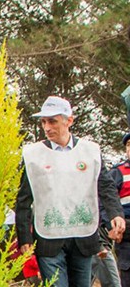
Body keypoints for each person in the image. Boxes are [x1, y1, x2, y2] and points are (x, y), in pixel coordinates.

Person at [15, 96, 126, 287]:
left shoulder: (90, 151)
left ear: (69, 120)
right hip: (48, 239)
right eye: (43, 122)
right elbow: (24, 199)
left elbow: (105, 185)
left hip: (83, 238)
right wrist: (24, 237)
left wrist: (116, 213)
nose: (47, 127)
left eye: (52, 121)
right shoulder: (33, 155)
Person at [109, 132, 130, 286]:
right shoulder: (118, 172)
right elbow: (105, 201)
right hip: (127, 232)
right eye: (128, 145)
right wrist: (110, 226)